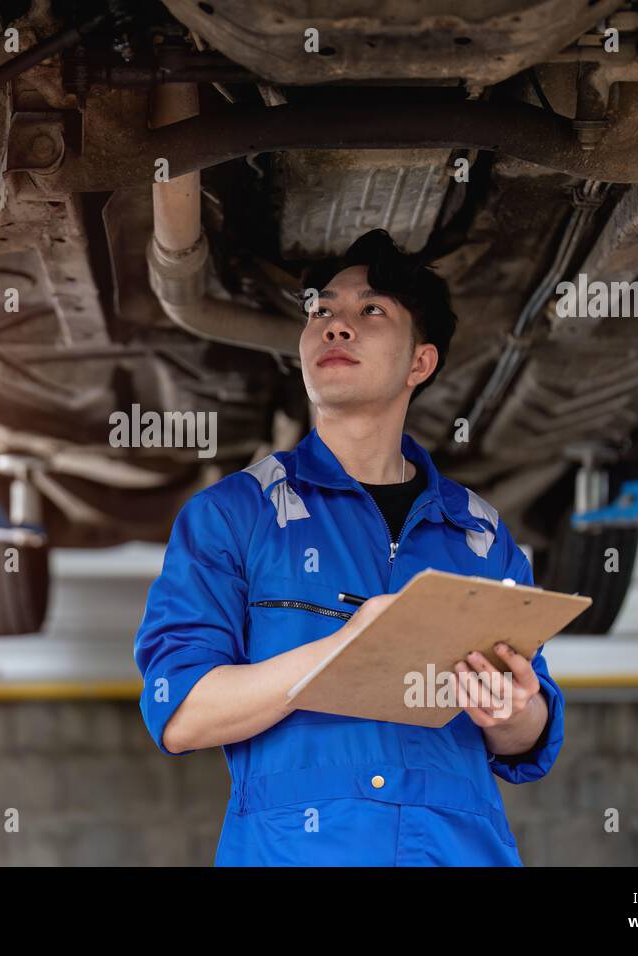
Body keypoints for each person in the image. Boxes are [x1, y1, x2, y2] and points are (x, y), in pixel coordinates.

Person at [133, 228, 563, 866]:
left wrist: (510, 710)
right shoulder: (234, 515)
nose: (336, 326)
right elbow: (182, 711)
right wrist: (343, 650)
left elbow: (526, 740)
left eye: (371, 311)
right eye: (321, 310)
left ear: (421, 362)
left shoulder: (479, 535)